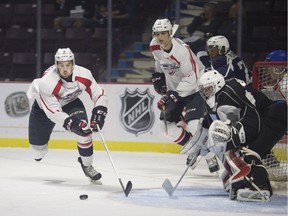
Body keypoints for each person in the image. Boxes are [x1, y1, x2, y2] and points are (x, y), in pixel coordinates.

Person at [182, 70, 287, 201]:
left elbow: (254, 120)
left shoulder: (229, 92)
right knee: (236, 155)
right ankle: (246, 182)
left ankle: (260, 187)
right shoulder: (217, 99)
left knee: (249, 152)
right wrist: (199, 145)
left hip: (275, 114)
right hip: (266, 116)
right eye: (203, 90)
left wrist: (235, 135)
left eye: (208, 89)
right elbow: (209, 122)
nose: (205, 93)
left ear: (218, 84)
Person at [26, 48, 108, 182]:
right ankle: (39, 150)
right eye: (61, 65)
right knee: (38, 152)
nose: (65, 69)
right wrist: (71, 123)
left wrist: (100, 110)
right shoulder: (47, 81)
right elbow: (53, 112)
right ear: (56, 65)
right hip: (43, 111)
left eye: (68, 65)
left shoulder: (84, 74)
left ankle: (87, 166)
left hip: (71, 103)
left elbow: (98, 93)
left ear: (73, 64)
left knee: (84, 130)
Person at [150, 18, 219, 173]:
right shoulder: (154, 45)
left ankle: (209, 156)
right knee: (165, 127)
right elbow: (159, 61)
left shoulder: (182, 50)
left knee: (194, 125)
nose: (160, 37)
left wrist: (174, 94)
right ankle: (195, 148)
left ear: (170, 33)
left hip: (194, 89)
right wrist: (158, 76)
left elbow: (192, 77)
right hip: (175, 91)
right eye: (157, 33)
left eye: (163, 33)